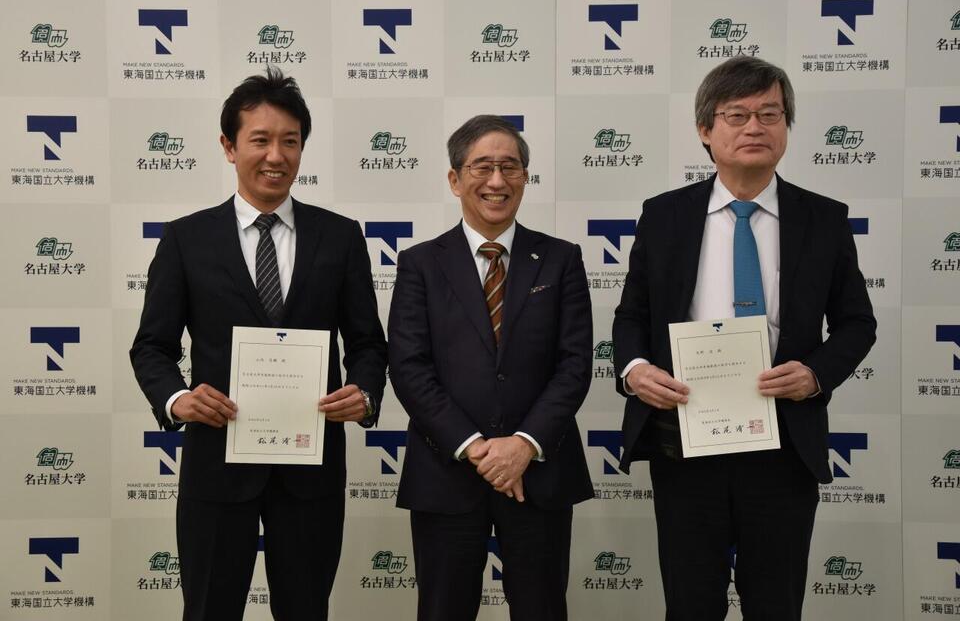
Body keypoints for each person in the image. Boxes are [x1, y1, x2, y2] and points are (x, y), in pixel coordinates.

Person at [612, 56, 877, 620]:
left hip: (783, 440)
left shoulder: (824, 219)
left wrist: (816, 374)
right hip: (686, 437)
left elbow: (857, 323)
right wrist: (635, 370)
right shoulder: (663, 217)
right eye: (736, 114)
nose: (754, 127)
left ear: (786, 127)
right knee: (690, 603)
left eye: (769, 113)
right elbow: (630, 315)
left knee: (776, 603)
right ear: (706, 131)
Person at [130, 68, 387, 621]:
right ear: (228, 146)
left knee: (305, 611)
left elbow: (368, 342)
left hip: (311, 471)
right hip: (216, 466)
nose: (277, 156)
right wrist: (178, 400)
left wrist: (364, 393)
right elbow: (151, 347)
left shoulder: (341, 237)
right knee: (208, 609)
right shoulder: (186, 239)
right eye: (261, 140)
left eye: (290, 142)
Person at [388, 115, 594, 621]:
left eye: (511, 167)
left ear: (526, 177)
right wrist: (475, 448)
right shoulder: (420, 263)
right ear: (456, 179)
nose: (497, 181)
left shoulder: (561, 259)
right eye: (483, 167)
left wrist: (523, 445)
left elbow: (574, 365)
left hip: (539, 474)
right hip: (447, 471)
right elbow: (409, 368)